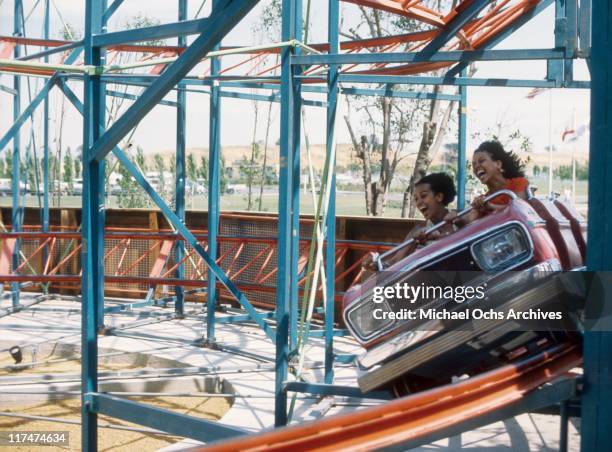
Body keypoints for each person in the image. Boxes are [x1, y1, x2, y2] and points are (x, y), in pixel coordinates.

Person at [364, 173, 457, 270]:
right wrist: (377, 263)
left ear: (439, 196)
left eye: (423, 196)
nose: (419, 202)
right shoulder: (418, 230)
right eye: (416, 199)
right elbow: (396, 261)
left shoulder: (461, 217)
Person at [447, 141, 529, 225]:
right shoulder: (483, 200)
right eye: (474, 164)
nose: (476, 166)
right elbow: (469, 218)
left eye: (481, 161)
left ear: (498, 164)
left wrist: (491, 207)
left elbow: (519, 210)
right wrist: (456, 216)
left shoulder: (518, 183)